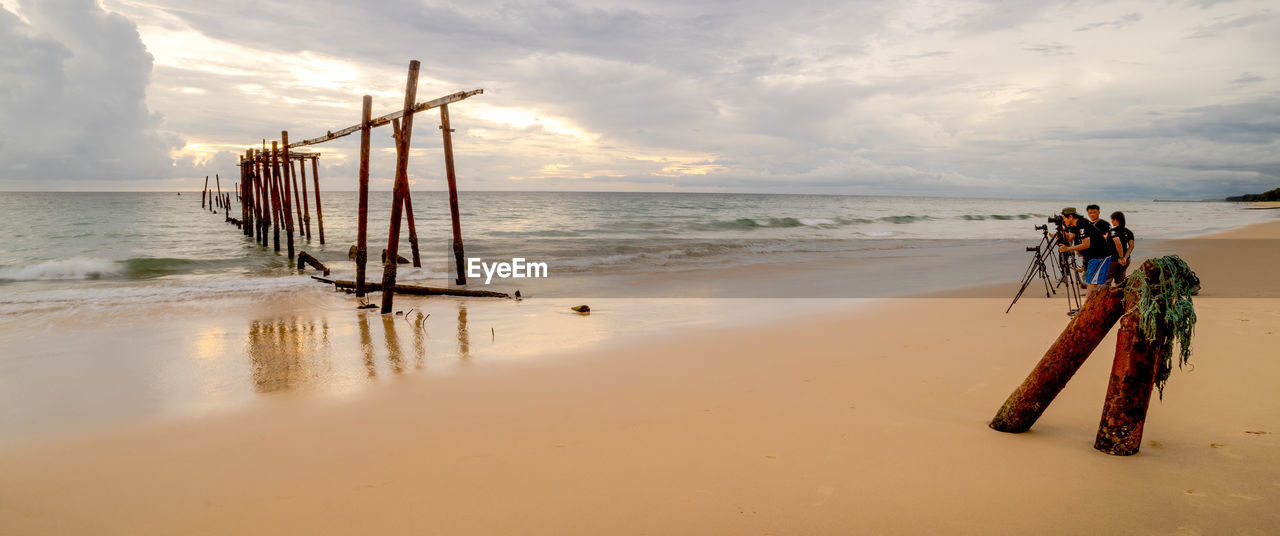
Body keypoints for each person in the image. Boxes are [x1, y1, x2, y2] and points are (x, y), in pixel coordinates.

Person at [1057, 207, 1110, 299]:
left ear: (1070, 216)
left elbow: (1086, 244)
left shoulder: (1082, 224)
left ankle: (1088, 308)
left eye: (1063, 218)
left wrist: (1068, 248)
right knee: (1090, 282)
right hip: (1093, 256)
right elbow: (1068, 238)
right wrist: (1060, 229)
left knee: (1093, 284)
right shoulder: (1075, 225)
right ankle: (1089, 307)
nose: (1063, 220)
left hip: (1100, 255)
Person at [1107, 211, 1134, 286]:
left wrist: (1121, 257)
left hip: (1114, 260)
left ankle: (1106, 297)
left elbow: (1118, 243)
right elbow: (1131, 246)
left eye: (1112, 219)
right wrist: (1125, 258)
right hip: (1126, 260)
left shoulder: (1113, 231)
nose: (1111, 221)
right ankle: (1120, 296)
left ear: (1116, 220)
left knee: (1106, 281)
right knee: (1120, 281)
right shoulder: (1129, 232)